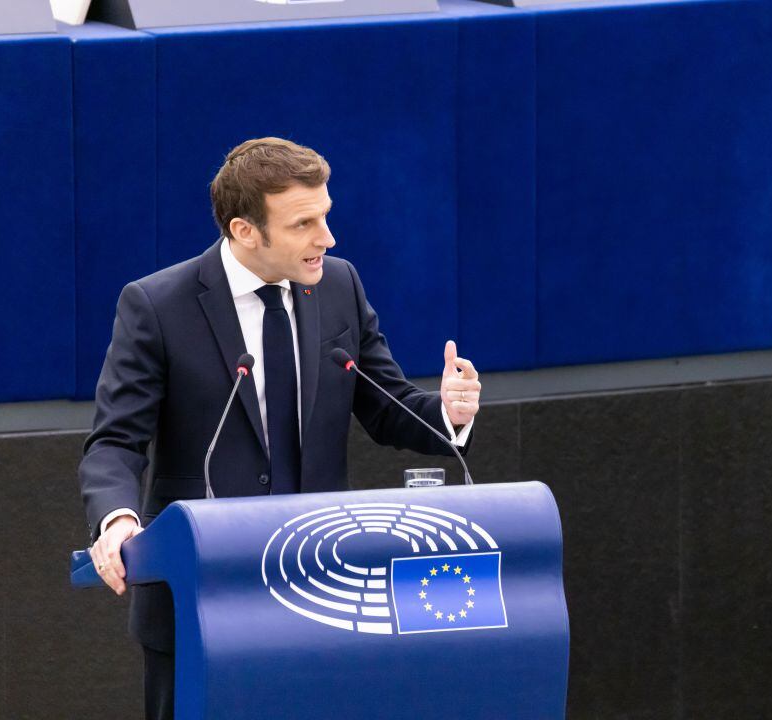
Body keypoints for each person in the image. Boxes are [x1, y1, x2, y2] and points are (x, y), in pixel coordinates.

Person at [78, 137, 481, 720]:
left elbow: (386, 403)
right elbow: (116, 440)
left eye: (326, 217)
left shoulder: (339, 285)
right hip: (203, 595)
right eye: (304, 224)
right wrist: (117, 520)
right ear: (245, 231)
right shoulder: (158, 306)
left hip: (323, 592)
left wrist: (449, 412)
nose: (327, 238)